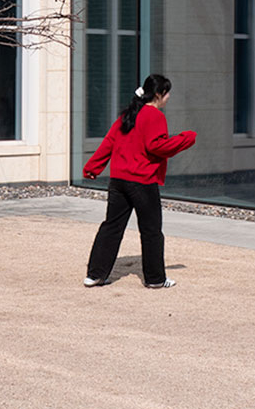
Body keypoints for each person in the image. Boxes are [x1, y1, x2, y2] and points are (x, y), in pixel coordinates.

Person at [82, 74, 196, 289]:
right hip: (142, 181)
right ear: (159, 94)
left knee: (111, 227)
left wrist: (92, 168)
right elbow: (157, 146)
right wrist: (186, 138)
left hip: (118, 180)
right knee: (151, 230)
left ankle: (95, 275)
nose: (169, 97)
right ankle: (155, 279)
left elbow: (109, 143)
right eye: (167, 92)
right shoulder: (154, 116)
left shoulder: (128, 114)